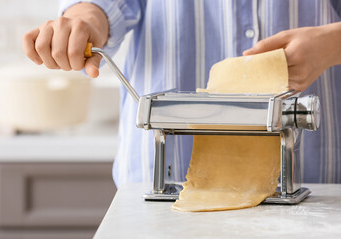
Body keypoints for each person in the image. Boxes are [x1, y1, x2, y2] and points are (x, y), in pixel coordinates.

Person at [22, 0, 341, 187]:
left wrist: (331, 43)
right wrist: (84, 21)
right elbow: (101, 7)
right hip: (163, 179)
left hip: (315, 183)